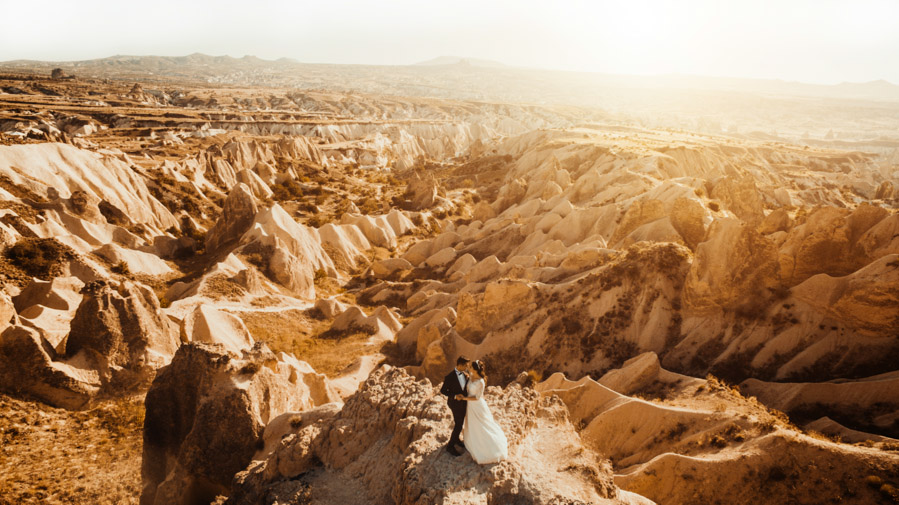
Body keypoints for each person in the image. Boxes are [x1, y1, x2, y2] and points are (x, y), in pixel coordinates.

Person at [455, 360, 508, 464]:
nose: (469, 368)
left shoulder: (481, 382)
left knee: (481, 424)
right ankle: (471, 441)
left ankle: (487, 447)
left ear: (475, 369)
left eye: (470, 367)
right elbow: (466, 378)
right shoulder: (471, 375)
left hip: (477, 405)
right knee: (472, 424)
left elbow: (477, 397)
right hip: (470, 406)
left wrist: (464, 398)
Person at [439, 355, 470, 456]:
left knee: (460, 422)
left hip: (464, 403)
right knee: (458, 424)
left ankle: (456, 439)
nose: (467, 367)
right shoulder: (450, 377)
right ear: (460, 365)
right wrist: (455, 396)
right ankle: (450, 446)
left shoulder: (466, 375)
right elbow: (443, 391)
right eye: (466, 365)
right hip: (455, 404)